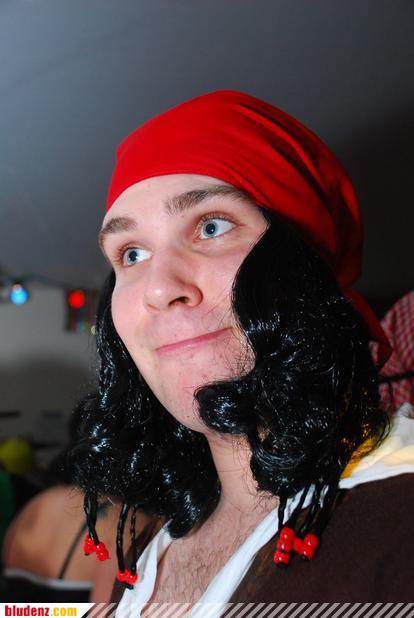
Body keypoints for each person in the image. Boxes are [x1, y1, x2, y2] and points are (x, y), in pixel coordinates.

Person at [69, 90, 414, 613]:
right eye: (131, 254)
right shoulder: (152, 550)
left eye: (211, 226)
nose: (158, 287)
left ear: (305, 267)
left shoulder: (398, 521)